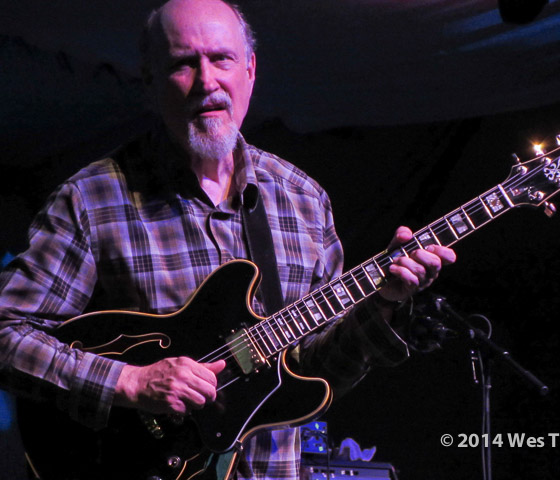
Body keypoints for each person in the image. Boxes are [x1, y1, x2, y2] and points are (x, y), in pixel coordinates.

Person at [0, 0, 456, 479]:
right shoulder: (91, 199)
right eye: (182, 64)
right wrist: (130, 382)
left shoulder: (303, 200)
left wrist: (383, 303)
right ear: (150, 83)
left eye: (221, 59)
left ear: (250, 71)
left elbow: (318, 372)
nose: (207, 81)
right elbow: (6, 332)